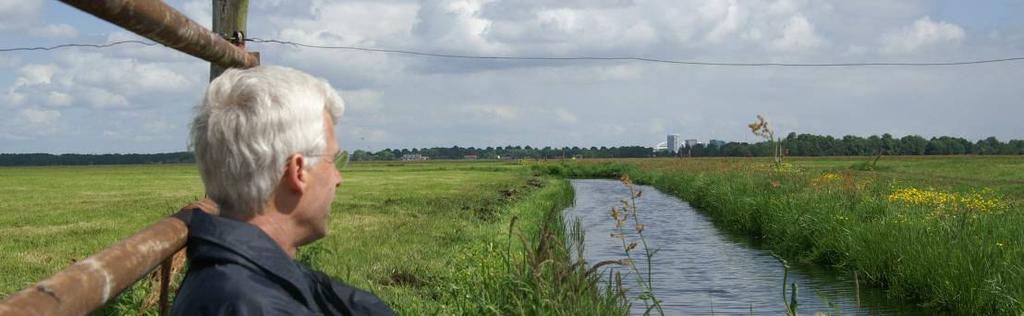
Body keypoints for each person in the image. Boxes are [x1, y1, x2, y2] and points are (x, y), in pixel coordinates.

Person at [171, 65, 393, 315]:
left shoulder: (237, 270)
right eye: (331, 161)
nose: (337, 178)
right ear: (298, 171)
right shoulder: (254, 304)